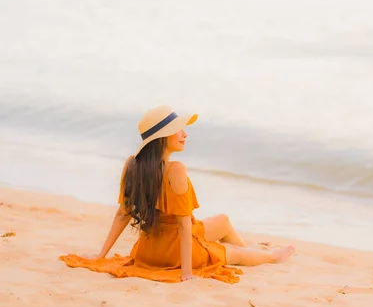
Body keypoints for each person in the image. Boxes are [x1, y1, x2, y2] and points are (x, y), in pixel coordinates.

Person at [59, 105, 294, 283]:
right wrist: (187, 273)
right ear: (162, 137)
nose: (185, 134)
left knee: (222, 221)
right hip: (175, 252)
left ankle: (251, 249)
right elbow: (183, 226)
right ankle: (271, 257)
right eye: (178, 130)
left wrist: (101, 254)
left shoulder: (132, 164)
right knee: (232, 254)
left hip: (147, 251)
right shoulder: (175, 170)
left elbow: (123, 215)